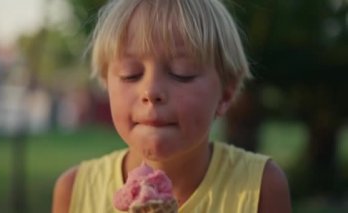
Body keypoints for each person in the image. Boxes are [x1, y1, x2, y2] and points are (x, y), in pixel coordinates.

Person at [52, 0, 292, 212]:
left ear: (225, 95)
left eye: (182, 74)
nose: (151, 91)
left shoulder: (261, 187)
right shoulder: (74, 192)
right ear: (107, 86)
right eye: (131, 74)